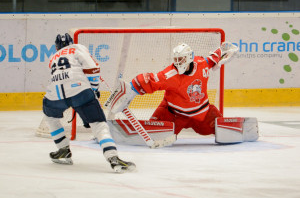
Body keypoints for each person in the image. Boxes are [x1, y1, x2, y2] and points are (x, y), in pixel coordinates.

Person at [42, 33, 136, 173]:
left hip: (54, 95)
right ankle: (113, 158)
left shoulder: (52, 58)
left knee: (50, 117)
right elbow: (92, 69)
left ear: (56, 47)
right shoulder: (77, 48)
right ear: (71, 42)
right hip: (80, 90)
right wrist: (94, 90)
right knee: (99, 125)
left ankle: (63, 149)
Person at [108, 42, 238, 138]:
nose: (177, 63)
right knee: (155, 134)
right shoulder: (170, 75)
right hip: (174, 114)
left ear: (189, 58)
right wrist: (129, 91)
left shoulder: (202, 64)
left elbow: (213, 58)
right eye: (176, 59)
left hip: (202, 114)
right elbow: (149, 80)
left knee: (222, 131)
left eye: (181, 59)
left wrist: (224, 50)